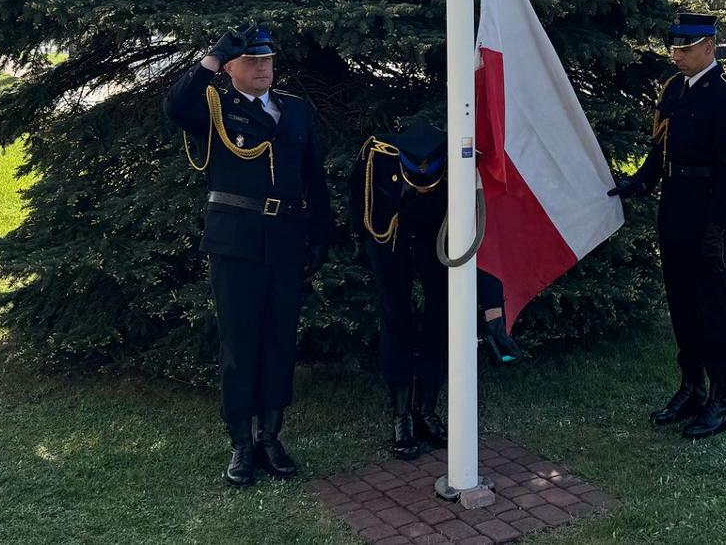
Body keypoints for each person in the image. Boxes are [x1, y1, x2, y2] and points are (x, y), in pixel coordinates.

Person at [163, 25, 333, 486]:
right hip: (235, 241)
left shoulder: (294, 110)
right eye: (252, 61)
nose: (263, 68)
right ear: (233, 68)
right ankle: (241, 440)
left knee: (279, 339)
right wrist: (212, 57)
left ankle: (271, 436)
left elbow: (312, 175)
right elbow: (175, 106)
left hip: (286, 239)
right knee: (240, 343)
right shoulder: (215, 107)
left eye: (268, 60)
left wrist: (321, 231)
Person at [608, 12, 726, 439]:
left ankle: (720, 398)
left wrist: (718, 227)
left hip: (709, 214)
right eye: (674, 48)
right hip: (673, 208)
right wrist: (640, 180)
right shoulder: (675, 89)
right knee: (681, 305)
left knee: (714, 307)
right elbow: (663, 147)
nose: (677, 55)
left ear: (709, 47)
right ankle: (690, 387)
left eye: (685, 49)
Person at [350, 124, 523, 460]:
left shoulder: (454, 160)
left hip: (437, 241)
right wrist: (361, 243)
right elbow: (360, 202)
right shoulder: (379, 159)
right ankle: (402, 417)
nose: (425, 187)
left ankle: (426, 409)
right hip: (390, 238)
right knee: (395, 319)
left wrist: (493, 312)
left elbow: (478, 241)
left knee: (443, 319)